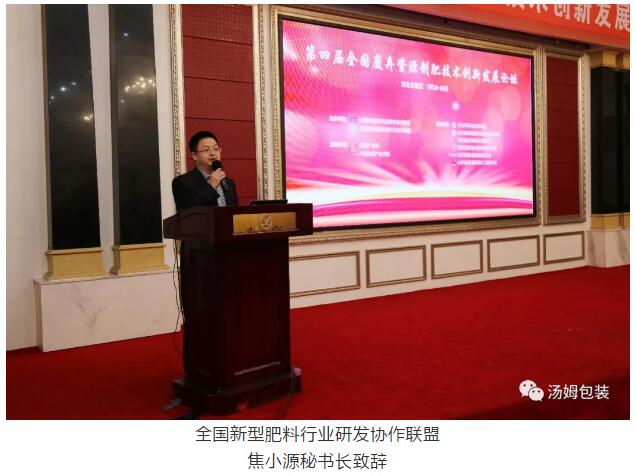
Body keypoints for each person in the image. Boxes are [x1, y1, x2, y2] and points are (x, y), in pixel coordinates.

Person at [172, 130, 238, 211]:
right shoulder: (182, 182)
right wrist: (211, 186)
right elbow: (188, 209)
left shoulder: (229, 183)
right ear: (195, 155)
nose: (212, 153)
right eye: (206, 150)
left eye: (216, 149)